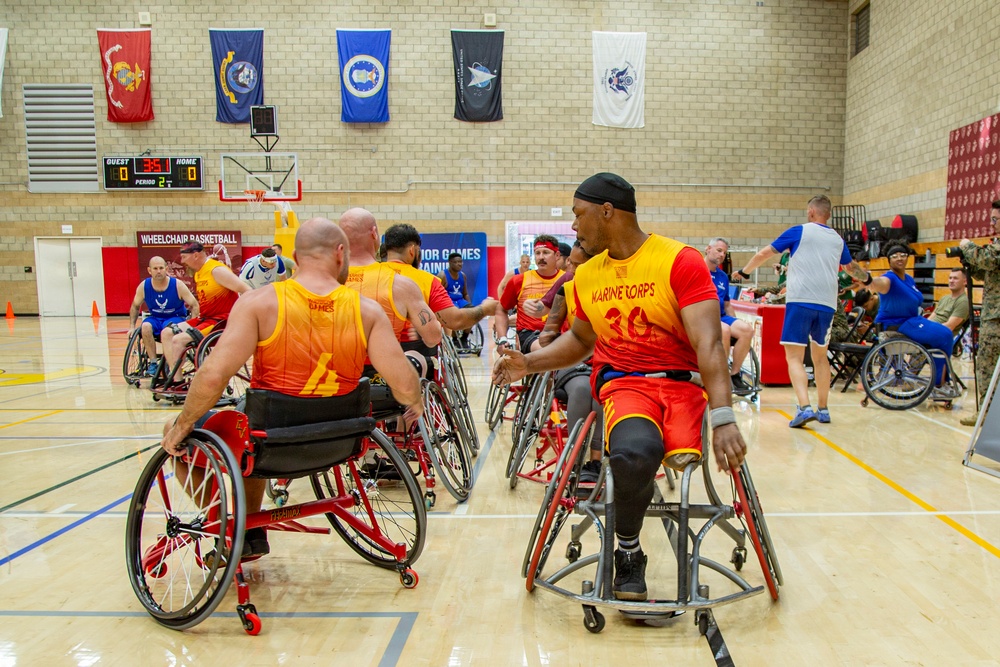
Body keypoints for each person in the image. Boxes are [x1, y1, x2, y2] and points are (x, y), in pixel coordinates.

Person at [494, 173, 747, 601]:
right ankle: (628, 550)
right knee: (634, 454)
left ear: (607, 212)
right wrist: (529, 364)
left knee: (683, 460)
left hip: (683, 387)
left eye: (578, 215)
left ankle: (641, 509)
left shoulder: (678, 260)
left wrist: (723, 416)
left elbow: (708, 343)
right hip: (625, 385)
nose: (574, 227)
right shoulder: (588, 275)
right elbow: (580, 341)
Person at [160, 218, 423, 561]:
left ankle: (233, 530)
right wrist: (414, 399)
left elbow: (212, 376)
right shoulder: (367, 311)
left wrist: (183, 425)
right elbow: (404, 386)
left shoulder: (259, 303)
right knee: (250, 418)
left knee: (214, 425)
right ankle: (249, 531)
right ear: (340, 255)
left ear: (295, 257)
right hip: (340, 444)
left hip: (270, 443)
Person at [733, 195, 869, 427]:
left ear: (811, 212)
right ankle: (823, 409)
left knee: (794, 357)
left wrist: (744, 272)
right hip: (827, 304)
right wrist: (868, 277)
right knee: (820, 358)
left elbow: (764, 253)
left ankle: (805, 407)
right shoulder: (837, 239)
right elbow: (851, 268)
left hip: (801, 301)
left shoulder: (800, 231)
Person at [338, 208, 442, 380]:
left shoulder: (321, 282)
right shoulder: (400, 283)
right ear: (374, 234)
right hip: (383, 377)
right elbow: (433, 337)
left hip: (335, 378)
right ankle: (414, 406)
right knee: (419, 362)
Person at [537, 241, 604, 489]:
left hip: (604, 361)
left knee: (602, 394)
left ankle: (595, 461)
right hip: (573, 360)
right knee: (582, 390)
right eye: (571, 263)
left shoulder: (609, 290)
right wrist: (549, 344)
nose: (572, 270)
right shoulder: (566, 290)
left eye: (578, 265)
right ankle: (574, 460)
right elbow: (548, 333)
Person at [382, 224, 497, 349]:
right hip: (413, 350)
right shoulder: (429, 280)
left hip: (372, 352)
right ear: (412, 250)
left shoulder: (369, 275)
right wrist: (485, 309)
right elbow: (454, 320)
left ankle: (463, 339)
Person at [868, 242, 956, 397]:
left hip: (912, 320)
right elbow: (878, 284)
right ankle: (938, 384)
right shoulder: (890, 278)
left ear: (908, 258)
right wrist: (868, 280)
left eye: (902, 255)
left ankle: (941, 382)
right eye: (894, 256)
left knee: (946, 335)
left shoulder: (909, 279)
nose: (899, 258)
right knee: (944, 335)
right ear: (889, 260)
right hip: (896, 323)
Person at [162, 242, 250, 385]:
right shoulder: (198, 273)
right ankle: (175, 376)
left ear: (195, 255)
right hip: (205, 318)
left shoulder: (217, 270)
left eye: (184, 257)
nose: (182, 261)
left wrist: (242, 316)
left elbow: (246, 290)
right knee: (167, 333)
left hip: (221, 322)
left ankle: (177, 383)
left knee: (179, 341)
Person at [958, 200, 1000, 426]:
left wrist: (968, 246)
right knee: (987, 366)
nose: (992, 224)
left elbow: (988, 259)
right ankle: (986, 412)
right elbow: (986, 272)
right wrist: (970, 264)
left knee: (987, 365)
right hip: (993, 315)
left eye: (995, 219)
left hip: (997, 319)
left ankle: (986, 414)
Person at [128, 256, 199, 375]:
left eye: (161, 268)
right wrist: (131, 326)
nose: (159, 271)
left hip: (175, 317)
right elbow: (135, 306)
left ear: (166, 269)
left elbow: (195, 305)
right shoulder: (144, 286)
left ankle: (171, 363)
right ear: (149, 270)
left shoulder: (177, 285)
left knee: (167, 330)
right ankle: (153, 363)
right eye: (155, 268)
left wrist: (190, 326)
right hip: (156, 318)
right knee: (145, 326)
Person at [494, 234, 564, 354]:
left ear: (557, 255)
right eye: (537, 253)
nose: (541, 257)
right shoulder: (518, 280)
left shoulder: (567, 278)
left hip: (561, 334)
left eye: (546, 252)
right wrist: (502, 339)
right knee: (548, 352)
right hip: (530, 334)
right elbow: (501, 310)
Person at [704, 237, 755, 392]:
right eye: (719, 250)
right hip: (704, 318)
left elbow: (726, 304)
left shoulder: (722, 277)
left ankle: (734, 374)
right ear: (708, 249)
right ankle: (721, 375)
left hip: (721, 317)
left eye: (724, 253)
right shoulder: (696, 269)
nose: (722, 255)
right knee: (725, 330)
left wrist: (735, 321)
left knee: (746, 329)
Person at [927, 267, 970, 333]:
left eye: (955, 278)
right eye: (950, 278)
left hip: (938, 336)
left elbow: (949, 327)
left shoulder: (963, 301)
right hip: (928, 332)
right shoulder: (944, 298)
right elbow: (930, 319)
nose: (951, 281)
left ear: (965, 282)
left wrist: (927, 330)